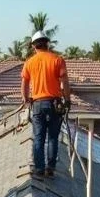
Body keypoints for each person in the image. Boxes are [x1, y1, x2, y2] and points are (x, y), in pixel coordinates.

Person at [21, 31, 70, 178]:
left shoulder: (30, 62)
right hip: (55, 103)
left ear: (34, 46)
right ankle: (50, 168)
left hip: (37, 104)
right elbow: (65, 82)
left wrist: (25, 99)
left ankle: (40, 169)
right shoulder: (57, 59)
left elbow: (24, 83)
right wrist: (67, 100)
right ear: (47, 44)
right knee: (53, 137)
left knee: (39, 137)